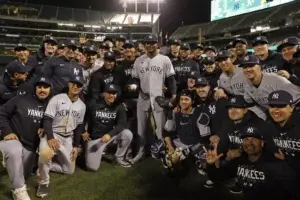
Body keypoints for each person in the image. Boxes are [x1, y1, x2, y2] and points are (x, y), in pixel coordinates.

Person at [206, 124, 297, 200]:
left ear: (262, 143)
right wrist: (210, 164)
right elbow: (218, 177)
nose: (249, 143)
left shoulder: (276, 163)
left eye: (254, 139)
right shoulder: (239, 161)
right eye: (246, 139)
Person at [0, 76, 51, 200]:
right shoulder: (20, 99)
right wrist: (7, 132)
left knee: (23, 173)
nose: (42, 90)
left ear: (50, 89)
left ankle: (10, 161)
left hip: (30, 148)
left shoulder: (51, 105)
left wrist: (45, 127)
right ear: (35, 88)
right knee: (14, 151)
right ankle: (18, 191)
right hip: (14, 141)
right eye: (39, 87)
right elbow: (1, 113)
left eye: (45, 87)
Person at [36, 76, 86, 198]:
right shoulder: (57, 99)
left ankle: (43, 165)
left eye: (78, 85)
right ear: (69, 84)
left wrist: (76, 146)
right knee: (45, 154)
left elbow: (79, 127)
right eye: (73, 84)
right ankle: (43, 182)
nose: (75, 87)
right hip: (53, 133)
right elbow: (47, 119)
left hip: (68, 138)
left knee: (69, 170)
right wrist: (50, 138)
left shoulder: (82, 106)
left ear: (81, 88)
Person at [131, 34, 177, 163]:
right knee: (141, 128)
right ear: (144, 45)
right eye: (148, 43)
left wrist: (173, 95)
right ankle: (140, 152)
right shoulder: (138, 60)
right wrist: (138, 89)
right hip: (143, 97)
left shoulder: (165, 59)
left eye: (153, 43)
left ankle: (163, 152)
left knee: (160, 128)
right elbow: (135, 78)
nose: (150, 45)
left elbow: (171, 78)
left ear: (158, 44)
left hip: (159, 98)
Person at [83, 83, 133, 170]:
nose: (112, 95)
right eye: (109, 93)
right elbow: (84, 119)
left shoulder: (119, 106)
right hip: (96, 140)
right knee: (92, 168)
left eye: (114, 93)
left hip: (110, 138)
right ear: (104, 93)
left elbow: (121, 124)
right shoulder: (94, 104)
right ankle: (96, 151)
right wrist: (84, 131)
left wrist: (110, 134)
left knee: (127, 134)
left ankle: (118, 157)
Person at [163, 90, 211, 173]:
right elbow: (166, 132)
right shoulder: (175, 113)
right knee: (158, 147)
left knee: (205, 164)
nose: (183, 102)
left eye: (186, 99)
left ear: (192, 101)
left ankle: (193, 162)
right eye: (181, 99)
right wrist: (170, 147)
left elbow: (205, 139)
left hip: (196, 145)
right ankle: (175, 165)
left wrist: (188, 151)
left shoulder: (199, 114)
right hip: (181, 142)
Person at [267, 90, 300, 184]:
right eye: (272, 106)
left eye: (281, 106)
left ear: (292, 107)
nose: (276, 110)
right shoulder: (269, 126)